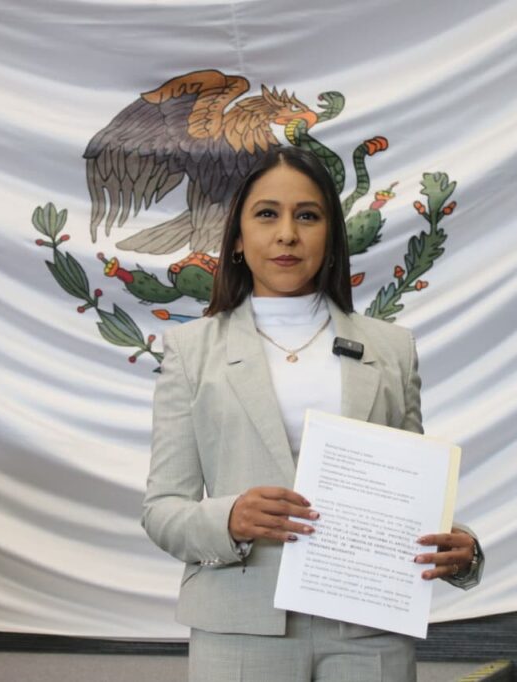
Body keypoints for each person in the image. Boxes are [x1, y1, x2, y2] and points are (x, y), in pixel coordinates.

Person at [142, 146, 484, 681]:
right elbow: (162, 510)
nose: (287, 234)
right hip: (239, 625)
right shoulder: (190, 350)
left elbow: (406, 496)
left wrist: (460, 550)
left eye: (307, 216)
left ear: (331, 237)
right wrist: (228, 519)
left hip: (369, 626)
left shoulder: (392, 349)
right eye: (266, 214)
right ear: (237, 237)